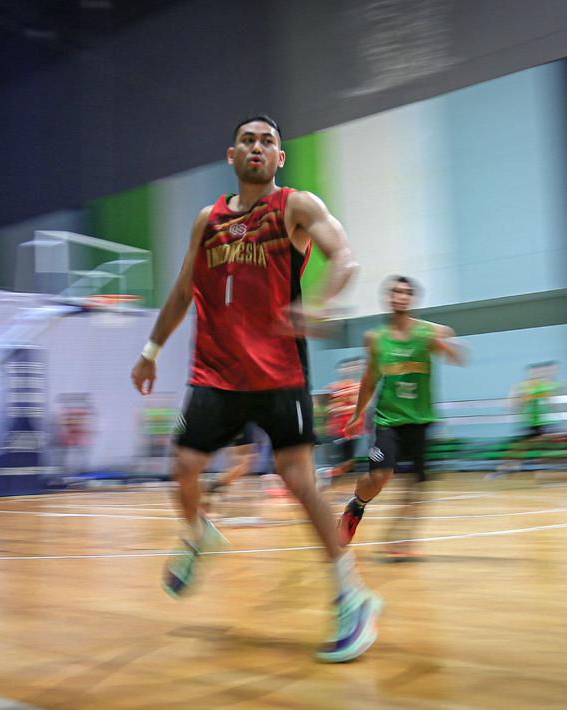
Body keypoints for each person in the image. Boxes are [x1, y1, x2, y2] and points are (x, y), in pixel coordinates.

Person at [130, 114, 380, 663]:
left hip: (278, 372)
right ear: (232, 154)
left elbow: (345, 257)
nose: (258, 148)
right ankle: (199, 535)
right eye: (249, 140)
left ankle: (351, 594)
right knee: (182, 468)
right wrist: (150, 351)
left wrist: (318, 304)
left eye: (268, 141)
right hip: (215, 373)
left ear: (280, 157)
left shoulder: (295, 205)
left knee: (298, 479)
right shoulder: (209, 220)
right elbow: (180, 292)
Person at [339, 276, 464, 560]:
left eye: (406, 292)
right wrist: (357, 413)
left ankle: (400, 538)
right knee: (380, 475)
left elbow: (457, 355)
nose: (400, 296)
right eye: (395, 292)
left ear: (413, 299)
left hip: (420, 420)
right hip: (387, 419)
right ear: (388, 298)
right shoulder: (375, 338)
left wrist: (447, 343)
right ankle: (356, 505)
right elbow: (369, 379)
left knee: (418, 485)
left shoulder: (427, 334)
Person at [492, 362, 563, 479]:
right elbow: (515, 404)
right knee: (518, 448)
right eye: (533, 372)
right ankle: (504, 470)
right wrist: (518, 400)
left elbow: (550, 398)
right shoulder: (524, 387)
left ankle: (557, 469)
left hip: (542, 423)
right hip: (531, 423)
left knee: (551, 443)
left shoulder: (544, 385)